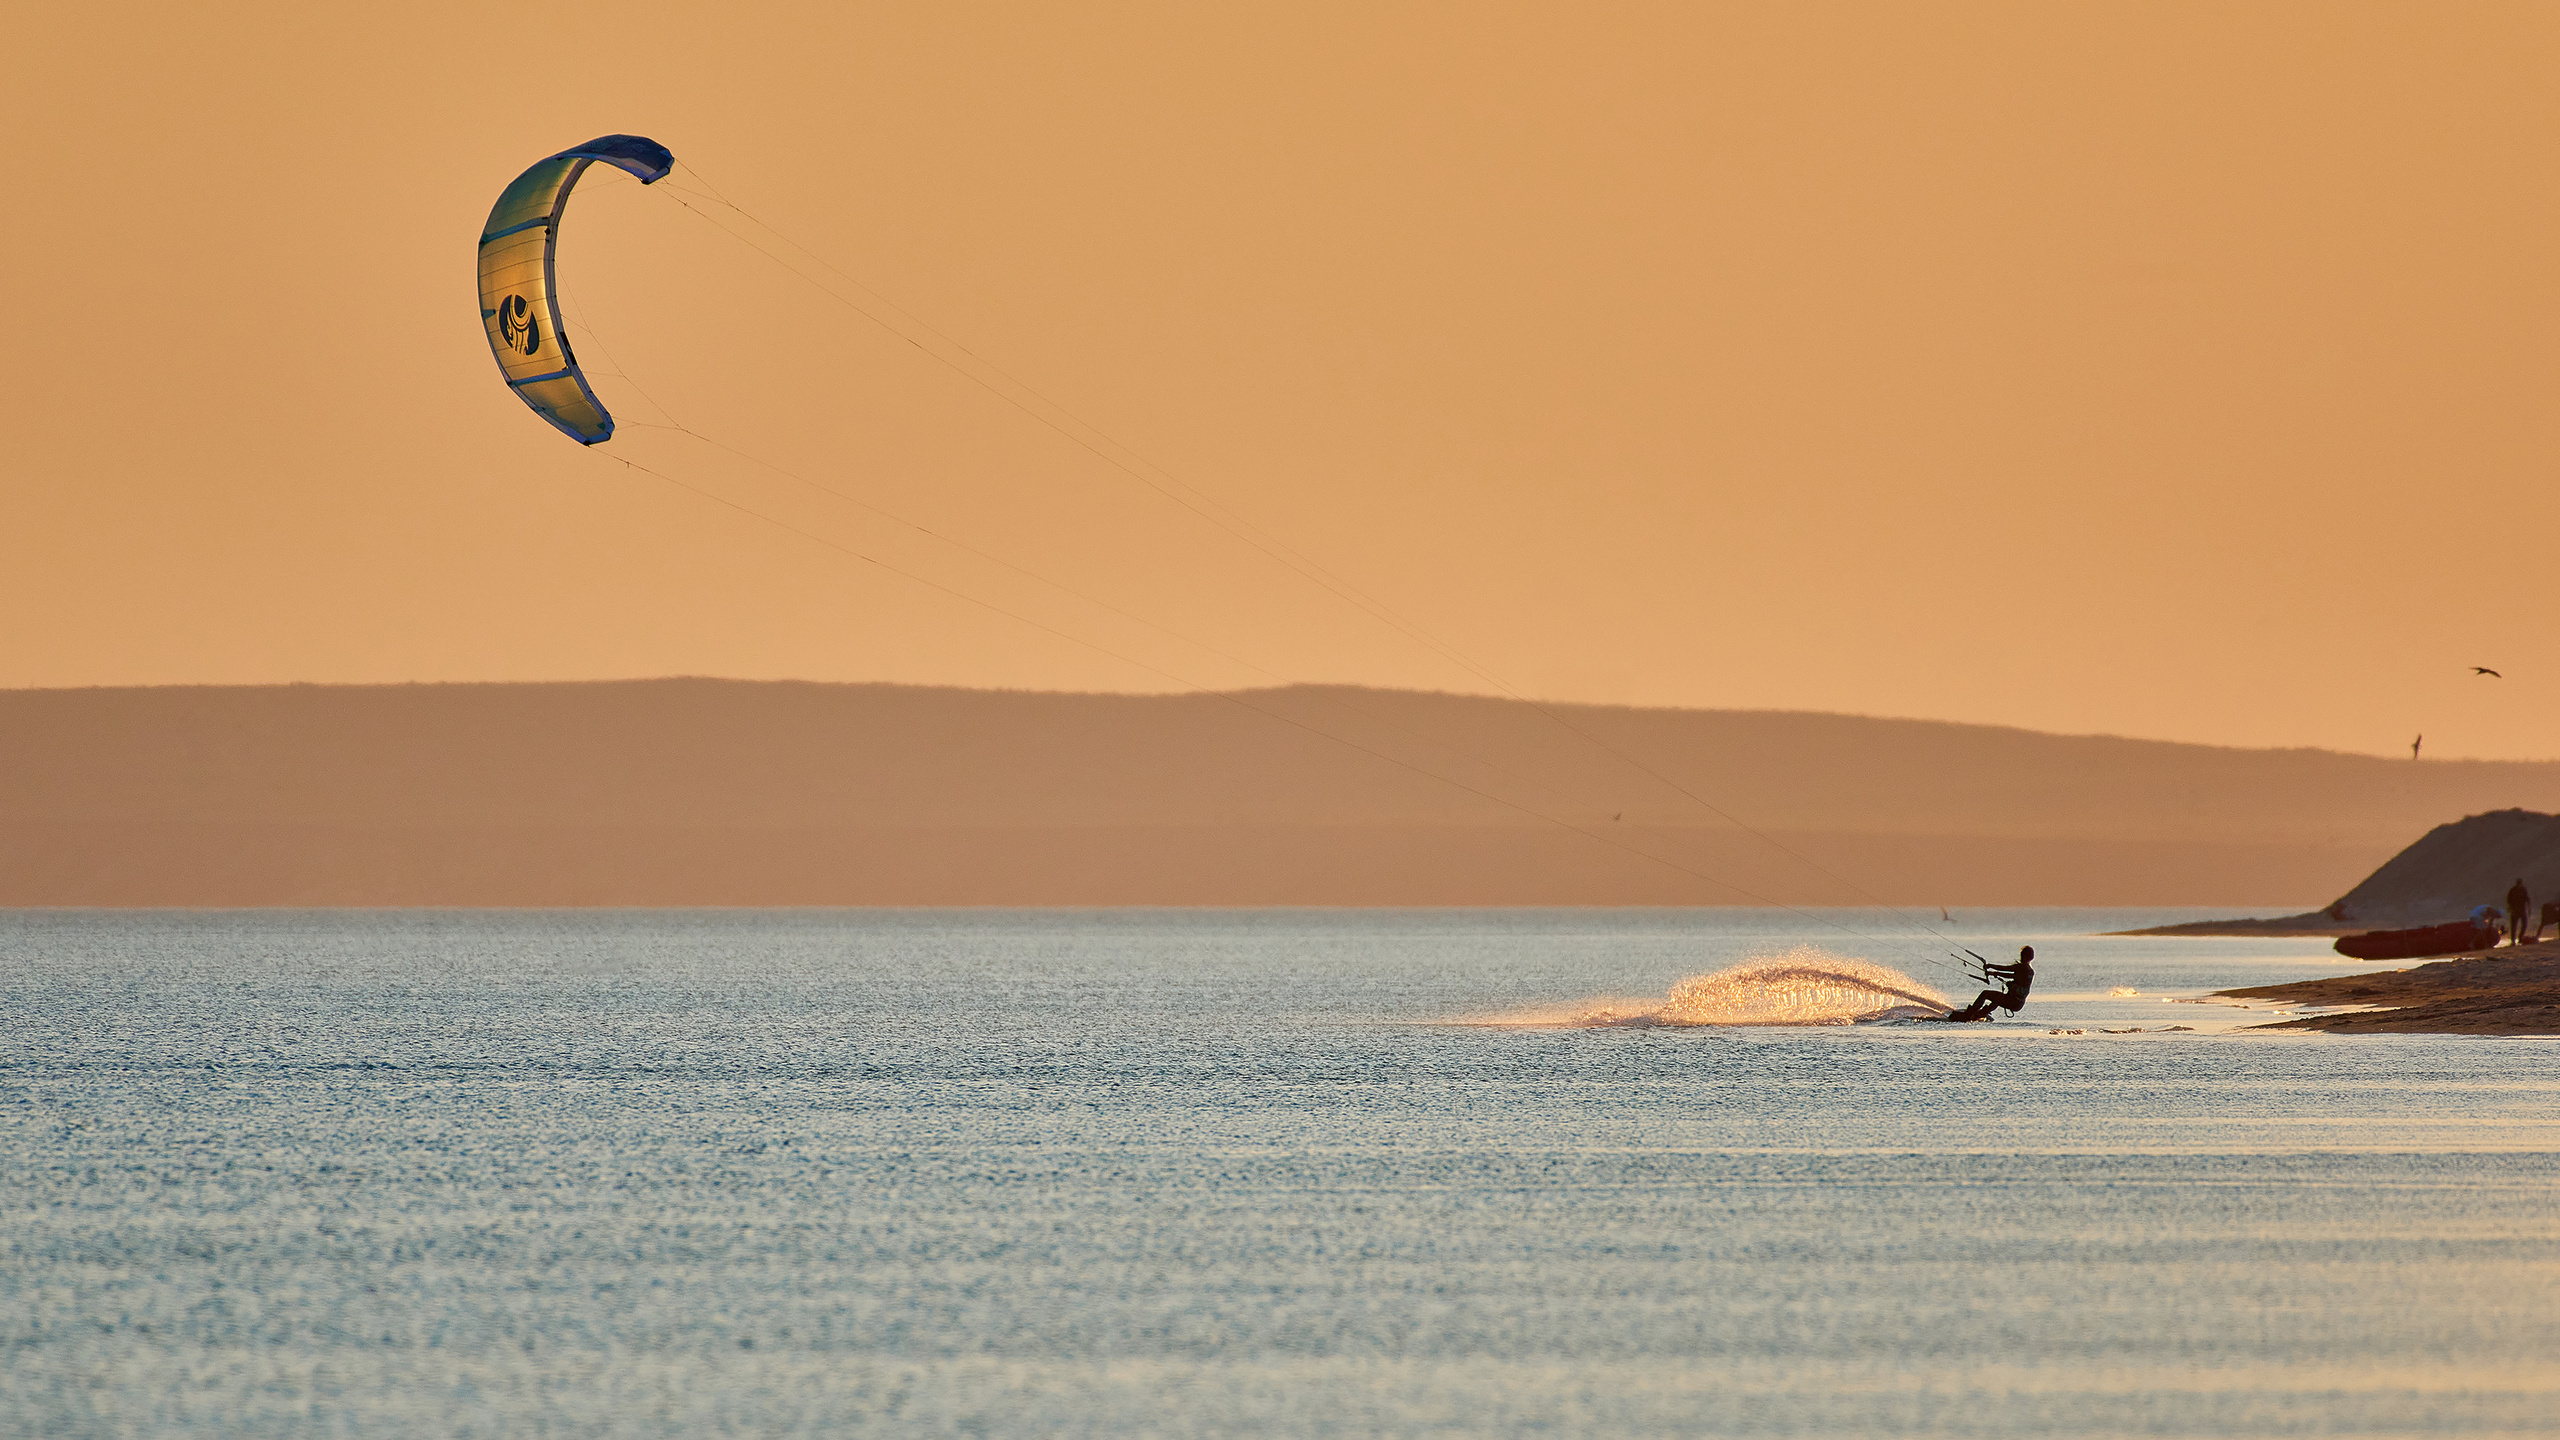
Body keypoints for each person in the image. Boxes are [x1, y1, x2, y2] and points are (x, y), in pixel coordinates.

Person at [1941, 946, 2036, 1022]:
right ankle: (1980, 1014)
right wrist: (1993, 973)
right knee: (1996, 999)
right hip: (2018, 1004)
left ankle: (1968, 1015)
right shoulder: (2029, 970)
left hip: (2012, 1001)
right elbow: (2012, 975)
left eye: (2022, 955)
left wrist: (1990, 967)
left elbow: (2005, 969)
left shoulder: (2022, 968)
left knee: (1985, 994)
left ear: (2025, 956)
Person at [2508, 879, 2532, 946]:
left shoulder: (2523, 889)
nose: (2519, 885)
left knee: (2524, 925)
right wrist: (2510, 908)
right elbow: (2509, 900)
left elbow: (2527, 899)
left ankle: (2520, 938)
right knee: (2513, 926)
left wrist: (2529, 908)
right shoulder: (2513, 890)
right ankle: (2513, 941)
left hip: (2522, 910)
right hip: (2515, 910)